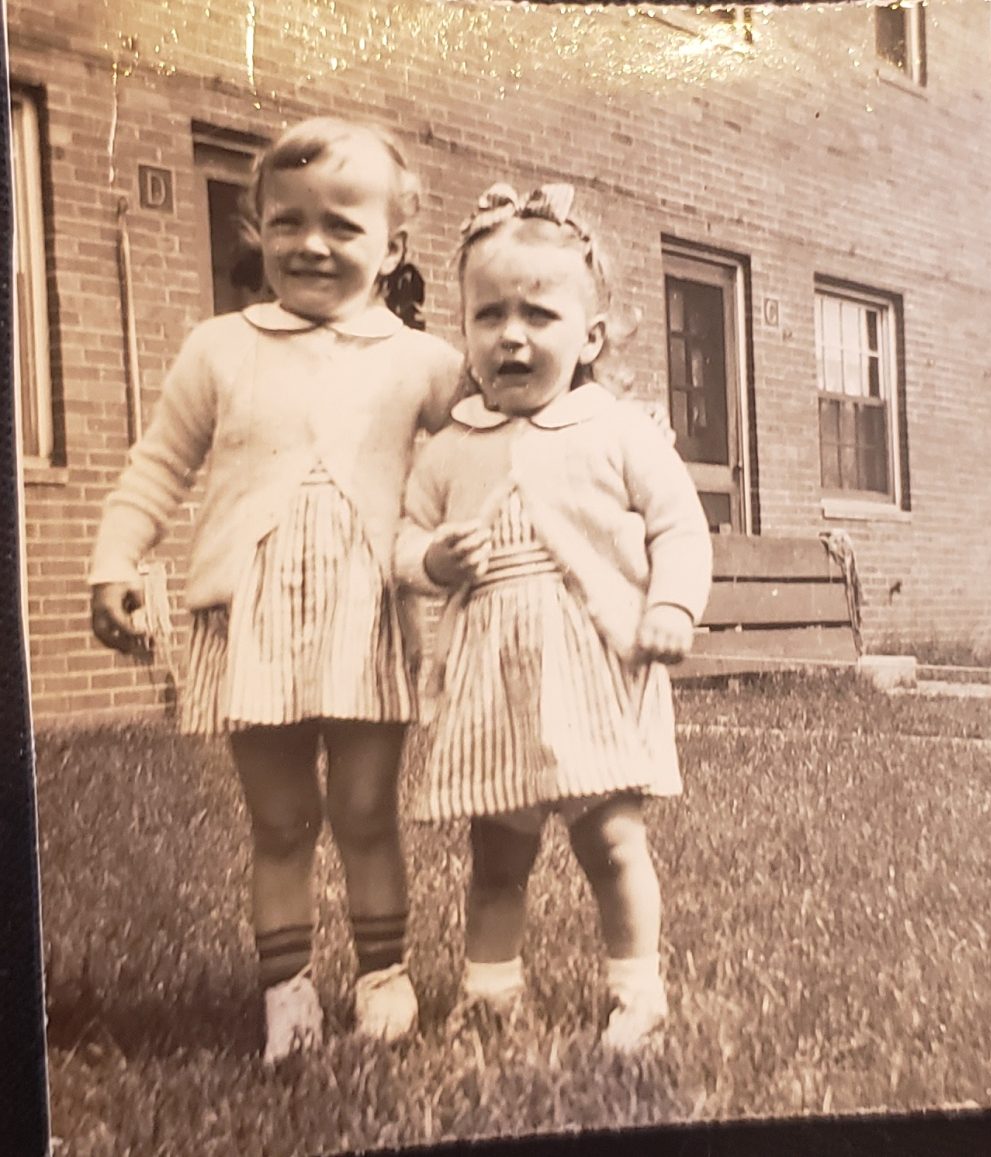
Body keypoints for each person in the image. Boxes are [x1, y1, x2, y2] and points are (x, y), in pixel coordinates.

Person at [88, 117, 463, 1063]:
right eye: (288, 221)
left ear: (394, 247)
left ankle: (382, 976)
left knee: (368, 809)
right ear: (259, 224)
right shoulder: (219, 347)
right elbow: (157, 468)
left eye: (343, 224)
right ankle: (286, 993)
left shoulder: (423, 362)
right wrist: (115, 562)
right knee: (282, 817)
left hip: (368, 614)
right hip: (253, 615)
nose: (313, 244)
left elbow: (494, 438)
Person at [394, 183, 713, 1052]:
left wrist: (673, 604)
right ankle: (490, 993)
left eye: (539, 313)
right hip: (495, 683)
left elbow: (680, 525)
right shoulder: (454, 444)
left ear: (591, 337)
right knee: (497, 856)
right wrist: (430, 560)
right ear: (465, 333)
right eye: (489, 314)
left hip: (593, 669)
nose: (513, 335)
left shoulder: (616, 430)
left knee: (611, 842)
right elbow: (405, 535)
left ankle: (636, 992)